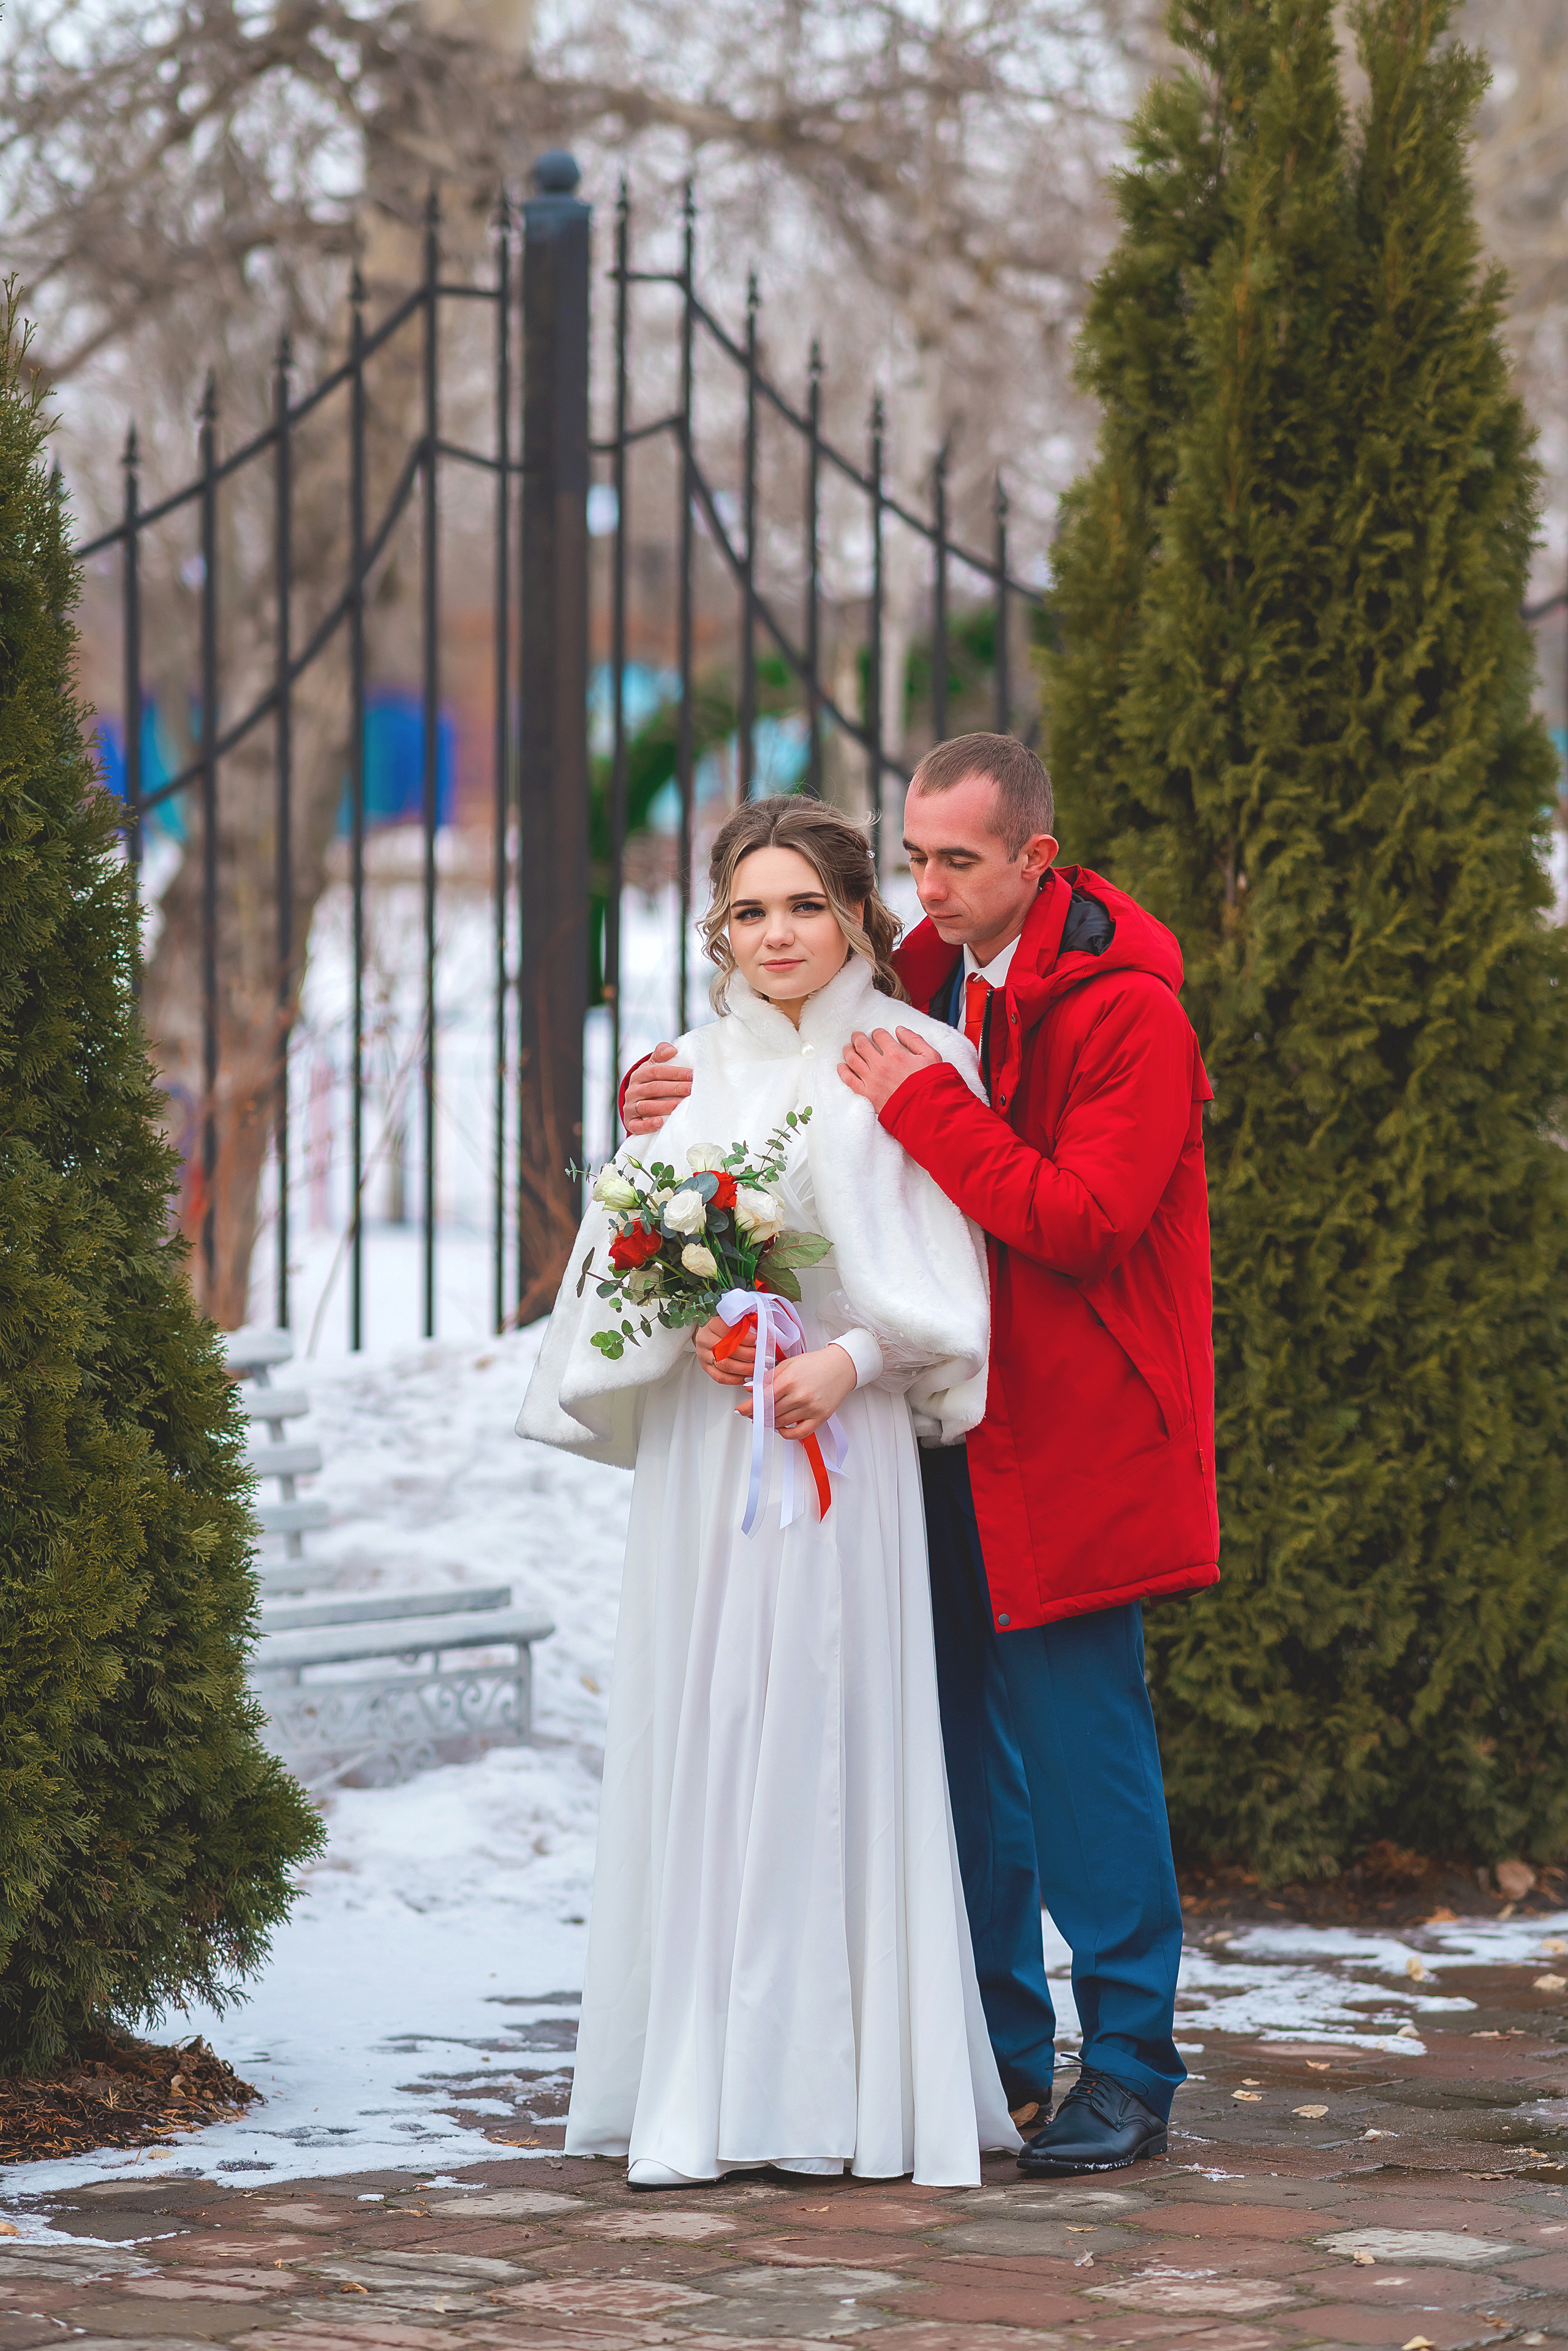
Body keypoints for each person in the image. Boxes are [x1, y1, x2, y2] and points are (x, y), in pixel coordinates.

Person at [622, 734, 1218, 2178]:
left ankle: (1130, 2064)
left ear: (1035, 857)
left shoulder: (1129, 1014)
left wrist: (926, 1110)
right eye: (915, 858)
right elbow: (815, 1069)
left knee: (1084, 1758)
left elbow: (1079, 1219)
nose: (928, 887)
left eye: (959, 860)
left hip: (1073, 1429)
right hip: (944, 1429)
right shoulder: (947, 981)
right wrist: (677, 1089)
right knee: (955, 1755)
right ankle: (997, 2050)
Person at [518, 794, 1020, 2189]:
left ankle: (848, 2084)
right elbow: (622, 1265)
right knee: (710, 1727)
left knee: (825, 1733)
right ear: (715, 928)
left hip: (838, 1468)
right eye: (748, 909)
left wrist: (847, 1355)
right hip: (705, 1458)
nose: (777, 932)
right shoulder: (678, 1070)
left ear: (857, 913)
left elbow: (955, 1281)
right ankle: (702, 2078)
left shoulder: (917, 1055)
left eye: (803, 903)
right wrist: (697, 1325)